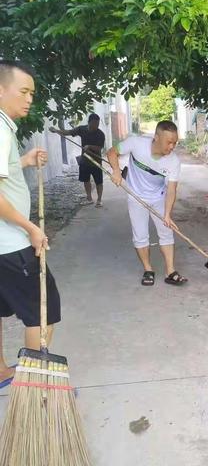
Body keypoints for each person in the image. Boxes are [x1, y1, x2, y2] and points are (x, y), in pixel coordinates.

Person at [0, 60, 61, 384]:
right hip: (11, 245)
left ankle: (1, 371)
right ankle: (33, 383)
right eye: (23, 91)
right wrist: (31, 228)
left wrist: (24, 160)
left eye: (32, 94)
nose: (28, 99)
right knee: (45, 310)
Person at [107, 120, 188, 287]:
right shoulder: (136, 144)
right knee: (140, 235)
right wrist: (116, 171)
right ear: (156, 137)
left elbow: (171, 190)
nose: (172, 146)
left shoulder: (173, 161)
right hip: (135, 196)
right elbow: (112, 152)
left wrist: (167, 214)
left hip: (158, 197)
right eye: (169, 142)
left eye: (175, 142)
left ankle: (170, 271)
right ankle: (148, 269)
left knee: (166, 232)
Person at [50, 113, 105, 207]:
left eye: (98, 124)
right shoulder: (82, 129)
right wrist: (56, 131)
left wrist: (89, 146)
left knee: (99, 181)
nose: (96, 126)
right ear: (89, 123)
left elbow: (99, 148)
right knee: (86, 180)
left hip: (96, 161)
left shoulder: (100, 134)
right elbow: (69, 132)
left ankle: (99, 200)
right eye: (94, 124)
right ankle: (89, 198)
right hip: (85, 160)